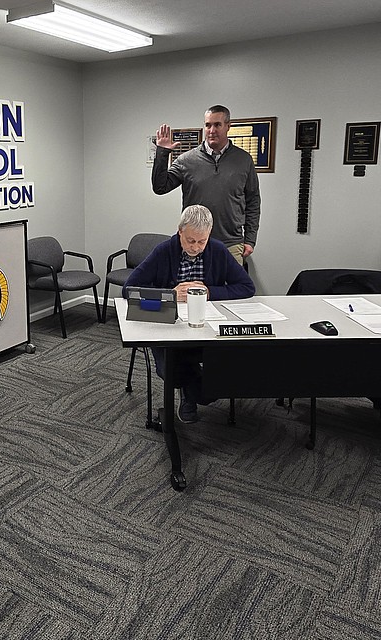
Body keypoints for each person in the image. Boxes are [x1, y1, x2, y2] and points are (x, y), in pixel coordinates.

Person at [124, 205, 255, 423]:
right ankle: (189, 393)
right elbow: (129, 289)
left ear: (209, 234)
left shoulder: (218, 250)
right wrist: (170, 294)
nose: (195, 247)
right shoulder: (163, 251)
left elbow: (246, 287)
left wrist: (210, 291)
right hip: (169, 325)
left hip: (206, 325)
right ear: (180, 232)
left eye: (201, 241)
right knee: (171, 371)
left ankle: (191, 391)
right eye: (190, 240)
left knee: (221, 372)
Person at [152, 105, 261, 266]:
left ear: (228, 126)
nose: (211, 130)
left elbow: (253, 201)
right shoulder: (186, 160)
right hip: (193, 243)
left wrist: (250, 239)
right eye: (208, 125)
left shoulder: (244, 160)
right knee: (191, 289)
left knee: (232, 290)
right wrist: (162, 153)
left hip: (231, 243)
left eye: (217, 125)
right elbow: (160, 187)